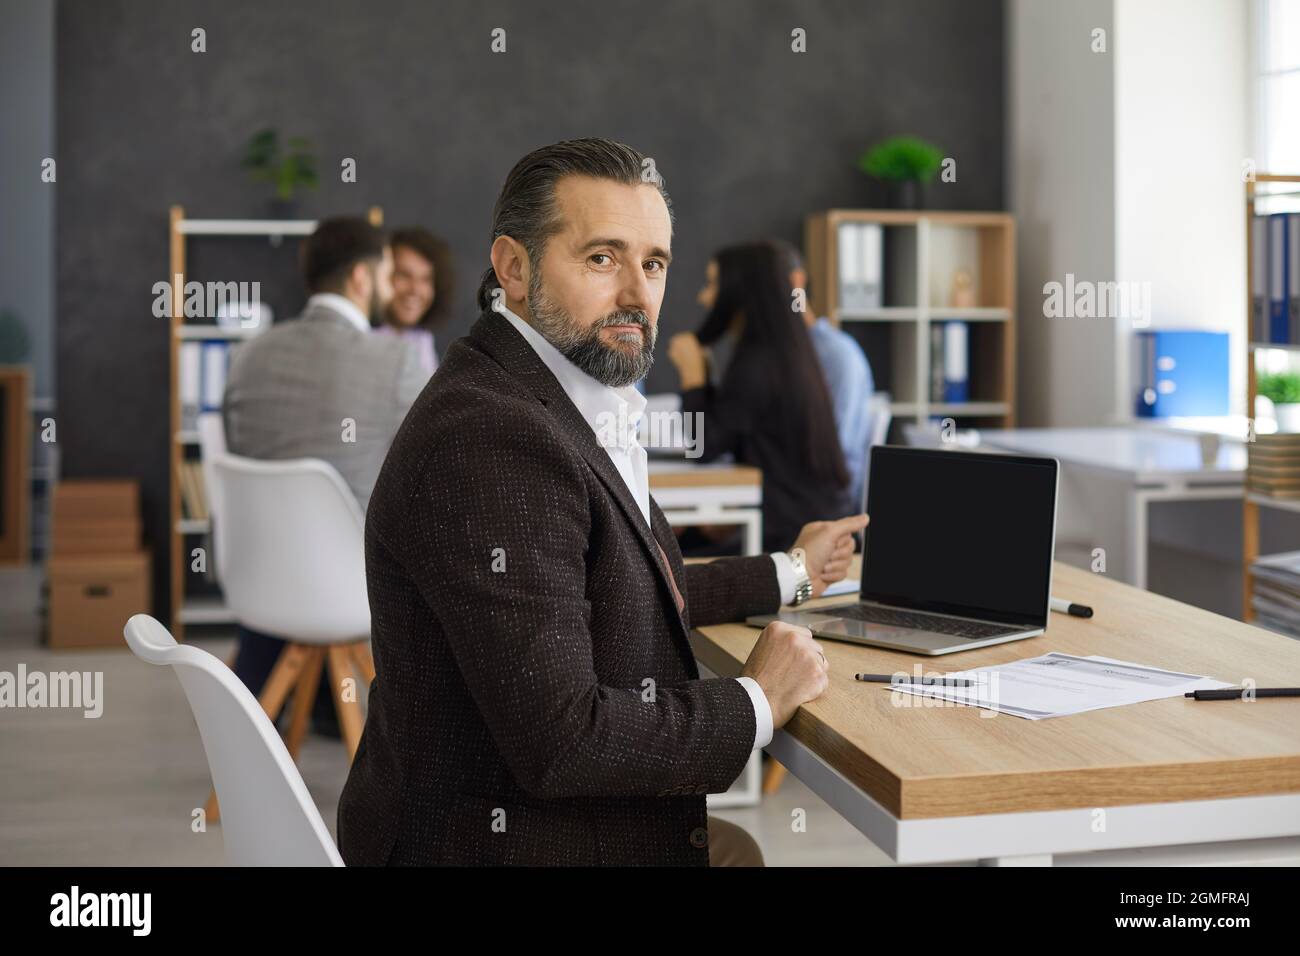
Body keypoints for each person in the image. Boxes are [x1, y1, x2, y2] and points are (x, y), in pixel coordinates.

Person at [337, 138, 867, 866]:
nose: (637, 293)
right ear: (513, 268)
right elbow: (567, 743)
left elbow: (626, 581)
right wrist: (755, 700)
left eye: (653, 263)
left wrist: (792, 570)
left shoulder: (549, 393)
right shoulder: (493, 434)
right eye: (601, 258)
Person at [221, 216, 426, 729]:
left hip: (259, 582)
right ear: (361, 278)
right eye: (386, 274)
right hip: (353, 590)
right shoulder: (395, 360)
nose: (391, 287)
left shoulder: (247, 357)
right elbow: (436, 466)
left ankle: (297, 710)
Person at [668, 241, 856, 554]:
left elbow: (703, 446)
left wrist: (692, 377)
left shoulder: (758, 363)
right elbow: (726, 434)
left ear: (740, 291)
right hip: (798, 520)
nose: (704, 296)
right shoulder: (785, 354)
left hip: (788, 537)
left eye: (713, 283)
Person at [776, 240, 876, 510]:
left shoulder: (837, 355)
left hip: (824, 508)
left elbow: (835, 458)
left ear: (796, 283)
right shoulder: (778, 355)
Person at [372, 226, 455, 375]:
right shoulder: (362, 337)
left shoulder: (422, 339)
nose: (415, 290)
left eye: (425, 279)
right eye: (404, 275)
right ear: (381, 276)